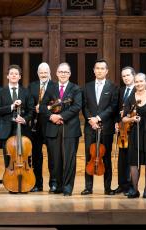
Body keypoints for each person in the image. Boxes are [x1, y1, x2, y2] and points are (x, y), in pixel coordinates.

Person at [40, 62, 82, 196]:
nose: (63, 74)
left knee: (69, 159)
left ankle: (68, 186)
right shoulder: (50, 88)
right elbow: (42, 106)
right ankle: (56, 185)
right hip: (53, 128)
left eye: (66, 72)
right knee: (54, 159)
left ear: (69, 74)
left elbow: (76, 107)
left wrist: (61, 116)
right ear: (57, 73)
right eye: (61, 72)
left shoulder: (75, 88)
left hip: (70, 129)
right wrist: (51, 116)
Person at [82, 59, 119, 196]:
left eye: (102, 68)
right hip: (90, 127)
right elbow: (84, 106)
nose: (99, 70)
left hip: (106, 127)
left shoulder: (113, 87)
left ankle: (107, 187)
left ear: (107, 71)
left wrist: (98, 118)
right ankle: (88, 187)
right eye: (97, 68)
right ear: (93, 70)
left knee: (106, 157)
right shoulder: (87, 87)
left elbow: (113, 107)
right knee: (89, 156)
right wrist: (91, 120)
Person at [0, 64, 34, 173]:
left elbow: (31, 111)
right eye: (11, 74)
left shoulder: (26, 92)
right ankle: (10, 180)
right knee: (8, 158)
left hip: (23, 130)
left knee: (25, 156)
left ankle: (26, 180)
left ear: (20, 76)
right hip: (6, 130)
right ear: (7, 76)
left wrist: (24, 119)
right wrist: (11, 106)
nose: (14, 75)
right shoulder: (0, 92)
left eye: (16, 74)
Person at [28, 62, 54, 192]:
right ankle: (37, 184)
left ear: (49, 73)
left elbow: (57, 104)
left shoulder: (54, 86)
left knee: (52, 156)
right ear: (38, 73)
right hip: (35, 127)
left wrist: (43, 109)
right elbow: (29, 103)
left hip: (50, 125)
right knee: (36, 156)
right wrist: (34, 108)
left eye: (46, 72)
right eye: (41, 72)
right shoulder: (32, 86)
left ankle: (53, 184)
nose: (43, 75)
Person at [114, 66, 136, 195]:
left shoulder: (138, 90)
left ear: (133, 75)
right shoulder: (121, 91)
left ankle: (132, 186)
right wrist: (116, 123)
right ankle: (122, 185)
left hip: (133, 130)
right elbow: (116, 109)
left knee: (131, 158)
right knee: (121, 158)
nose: (126, 78)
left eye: (128, 75)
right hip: (122, 131)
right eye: (124, 76)